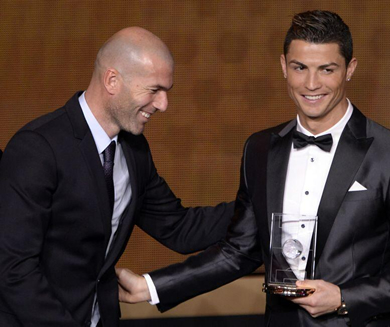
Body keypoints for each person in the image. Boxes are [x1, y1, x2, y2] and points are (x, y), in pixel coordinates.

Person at [116, 11, 390, 327]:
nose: (311, 84)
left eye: (327, 69)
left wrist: (344, 297)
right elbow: (239, 251)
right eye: (299, 68)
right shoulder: (260, 149)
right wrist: (152, 287)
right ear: (283, 66)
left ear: (350, 69)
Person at [0, 27, 233, 327]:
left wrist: (262, 201)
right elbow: (14, 270)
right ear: (112, 80)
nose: (163, 104)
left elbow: (180, 228)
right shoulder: (37, 148)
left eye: (166, 91)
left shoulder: (134, 150)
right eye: (154, 90)